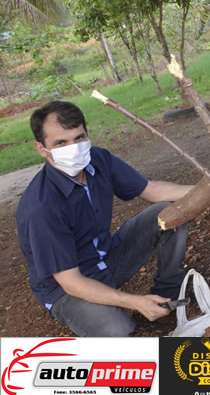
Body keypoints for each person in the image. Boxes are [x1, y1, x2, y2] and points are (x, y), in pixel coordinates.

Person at [15, 101, 194, 336]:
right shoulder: (41, 207)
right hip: (67, 288)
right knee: (117, 329)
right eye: (61, 143)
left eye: (79, 138)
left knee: (169, 212)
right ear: (41, 148)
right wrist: (135, 301)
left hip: (107, 257)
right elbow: (71, 282)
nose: (73, 148)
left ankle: (167, 297)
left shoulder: (98, 159)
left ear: (87, 133)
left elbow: (152, 190)